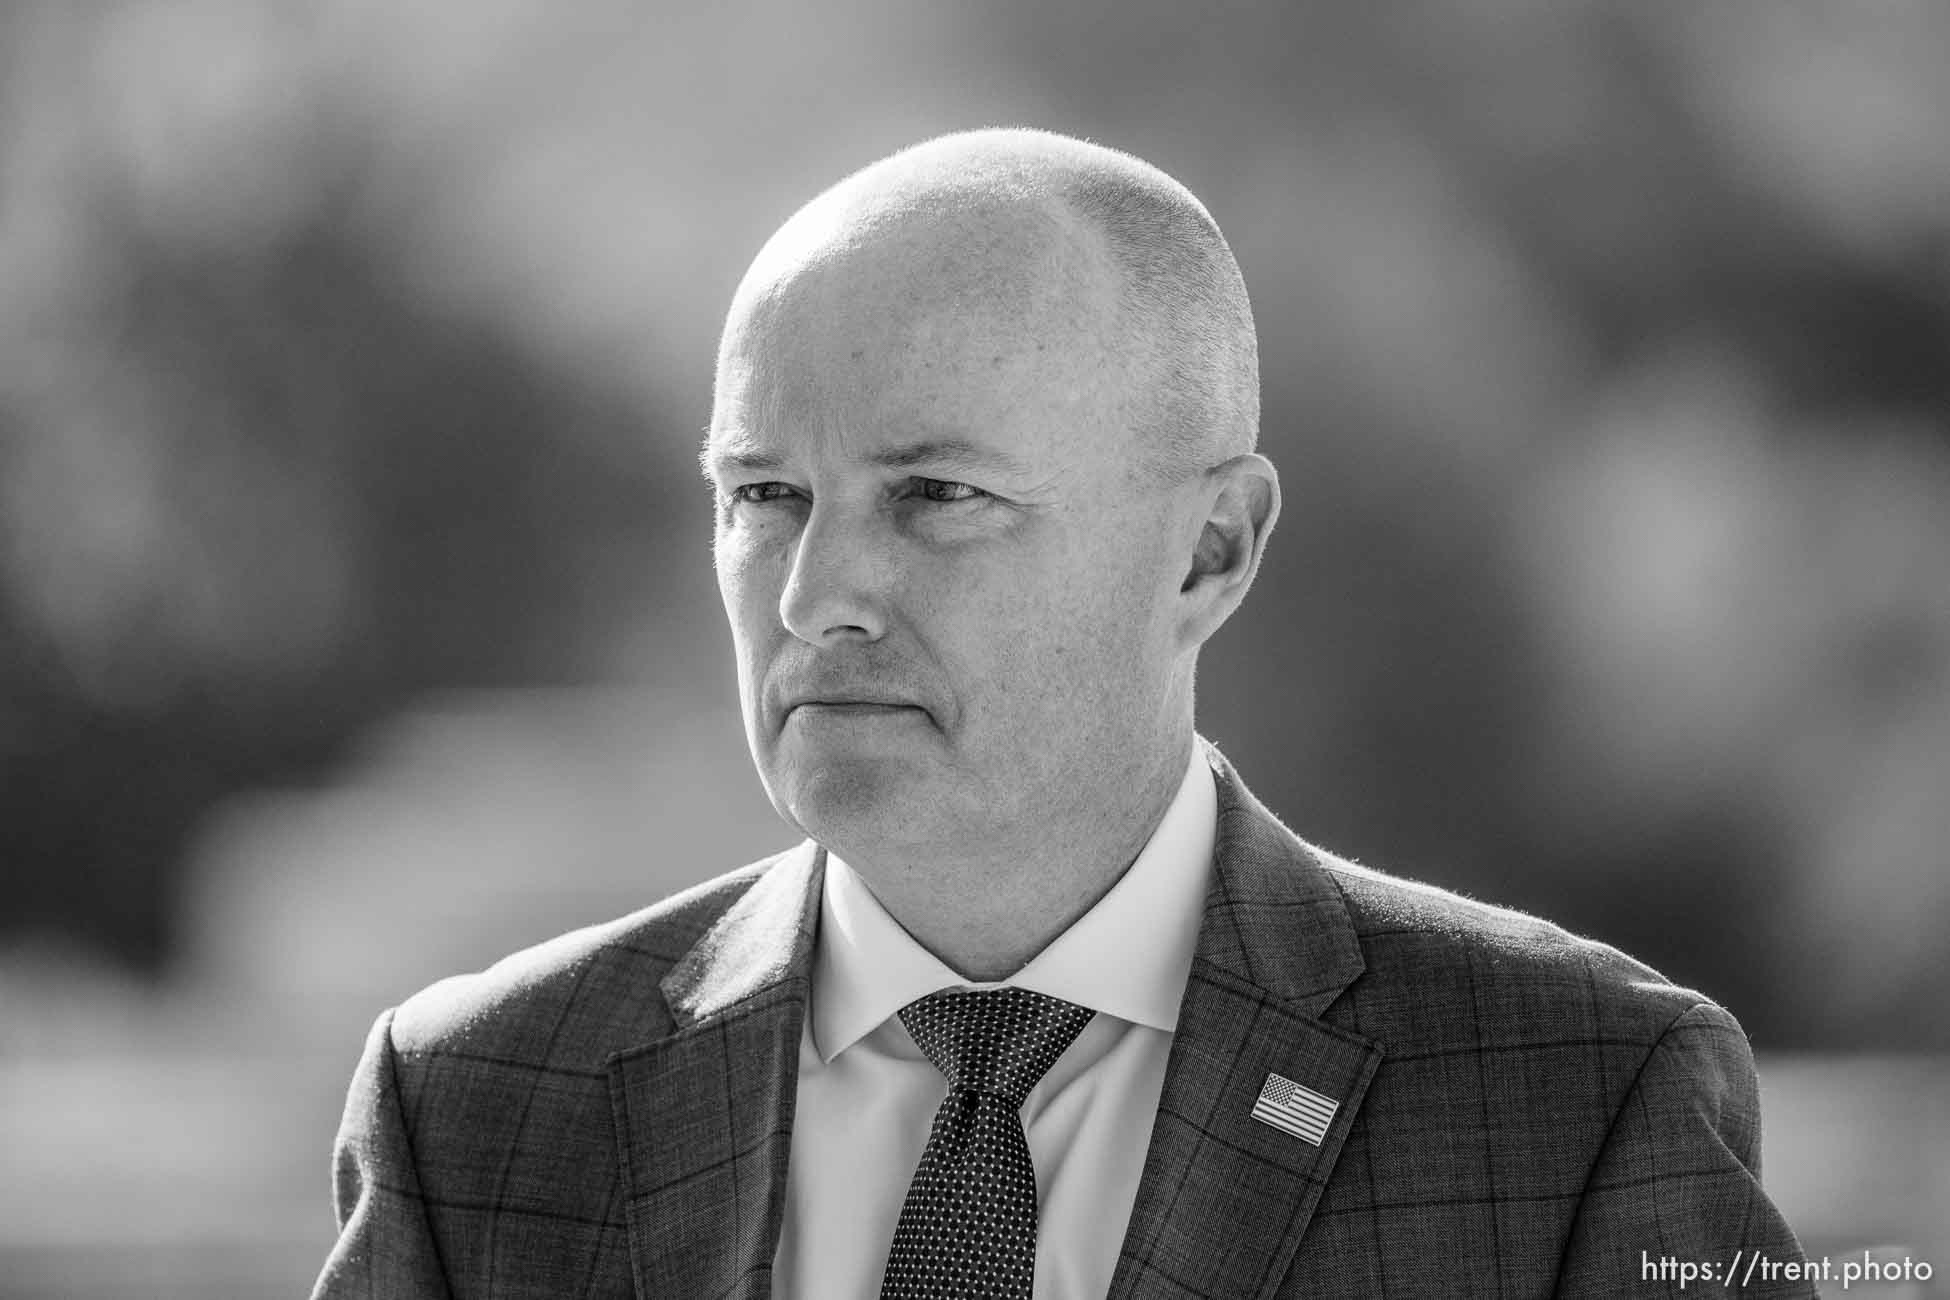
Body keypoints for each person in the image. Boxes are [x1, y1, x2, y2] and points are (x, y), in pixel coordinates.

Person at [312, 128, 1814, 1299]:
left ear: (1209, 550)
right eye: (762, 496)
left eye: (937, 494)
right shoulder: (478, 1113)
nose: (813, 594)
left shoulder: (1571, 1101)